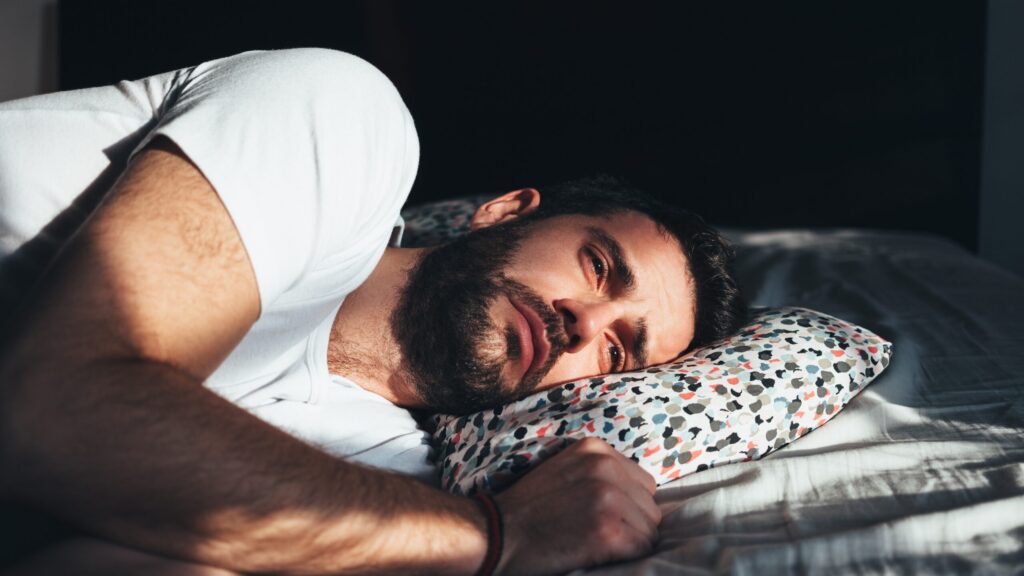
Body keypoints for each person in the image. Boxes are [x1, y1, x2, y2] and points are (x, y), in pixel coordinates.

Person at [0, 48, 744, 574]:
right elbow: (57, 410)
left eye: (617, 351)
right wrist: (496, 538)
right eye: (597, 266)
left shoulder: (388, 478)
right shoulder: (350, 127)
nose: (582, 322)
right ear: (505, 212)